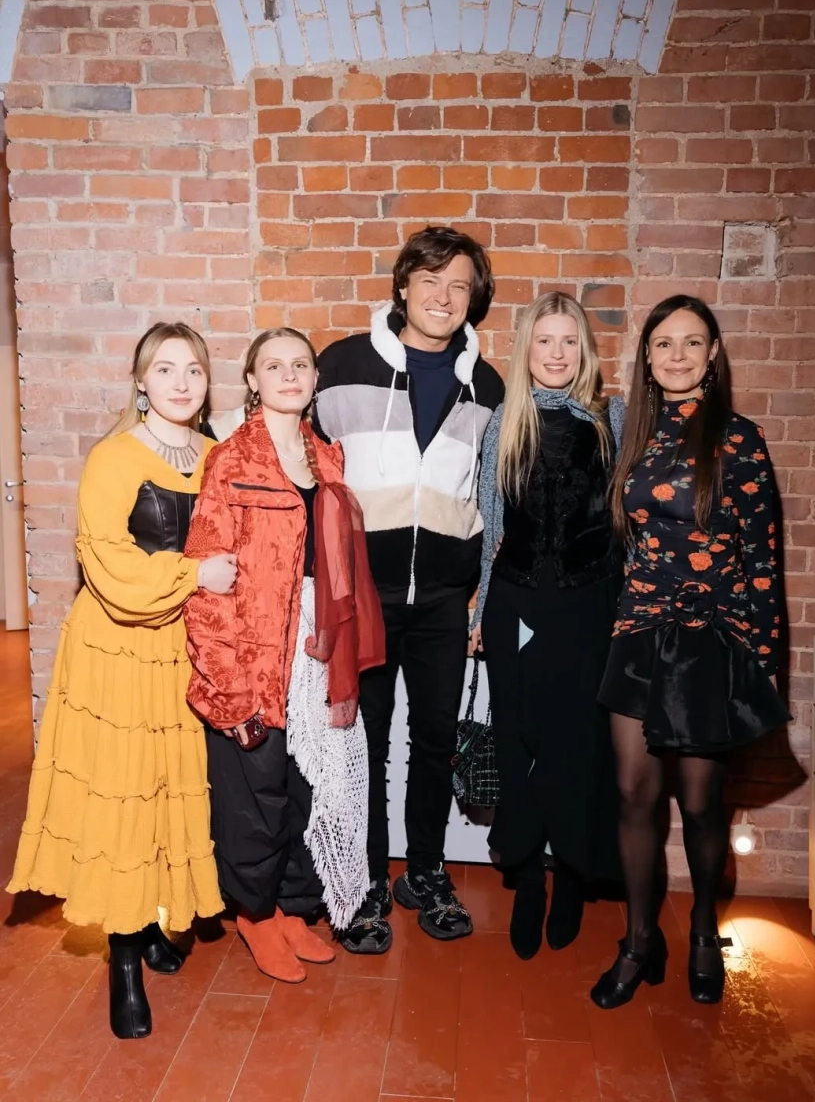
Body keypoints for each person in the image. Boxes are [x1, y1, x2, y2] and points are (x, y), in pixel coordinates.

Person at [8, 323, 236, 1040]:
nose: (180, 382)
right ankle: (125, 960)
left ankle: (157, 921)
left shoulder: (214, 455)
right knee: (126, 794)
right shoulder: (113, 457)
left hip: (184, 647)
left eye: (193, 369)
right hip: (119, 645)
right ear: (140, 381)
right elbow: (107, 564)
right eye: (164, 369)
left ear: (207, 382)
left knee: (170, 785)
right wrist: (194, 574)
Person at [591, 294, 791, 1010]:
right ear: (647, 357)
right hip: (640, 632)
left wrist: (763, 661)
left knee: (703, 804)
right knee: (633, 793)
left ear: (712, 355)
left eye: (691, 343)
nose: (676, 355)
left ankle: (704, 931)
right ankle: (639, 941)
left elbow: (763, 561)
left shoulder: (739, 439)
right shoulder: (635, 438)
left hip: (711, 641)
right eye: (663, 344)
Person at [314, 226, 504, 953]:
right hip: (365, 596)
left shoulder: (489, 387)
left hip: (445, 600)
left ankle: (424, 871)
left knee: (433, 741)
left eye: (459, 286)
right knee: (364, 741)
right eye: (430, 280)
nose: (443, 297)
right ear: (403, 286)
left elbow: (493, 495)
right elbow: (303, 463)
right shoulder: (342, 366)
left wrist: (482, 593)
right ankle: (363, 884)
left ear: (473, 299)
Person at [184, 328, 384, 984]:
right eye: (274, 366)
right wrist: (227, 688)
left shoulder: (326, 456)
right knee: (257, 789)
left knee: (307, 785)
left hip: (315, 650)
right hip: (252, 650)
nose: (289, 375)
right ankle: (257, 913)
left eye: (300, 364)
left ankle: (296, 906)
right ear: (252, 380)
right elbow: (207, 583)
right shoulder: (231, 460)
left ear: (315, 377)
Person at [471, 291, 624, 960]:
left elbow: (626, 524)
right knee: (517, 740)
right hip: (516, 601)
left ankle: (571, 875)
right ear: (527, 349)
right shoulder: (504, 421)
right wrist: (481, 606)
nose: (557, 354)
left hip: (589, 604)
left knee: (576, 744)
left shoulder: (614, 418)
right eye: (544, 341)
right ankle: (527, 876)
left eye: (569, 341)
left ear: (583, 350)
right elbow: (491, 527)